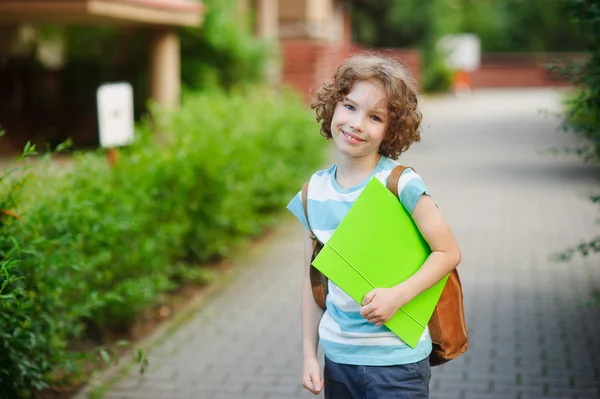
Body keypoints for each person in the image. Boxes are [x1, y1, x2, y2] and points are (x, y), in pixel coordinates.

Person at [286, 53, 462, 399]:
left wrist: (398, 296)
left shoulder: (399, 184)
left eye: (375, 116)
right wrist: (310, 355)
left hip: (398, 363)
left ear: (390, 129)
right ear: (333, 106)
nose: (356, 124)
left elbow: (448, 252)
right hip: (338, 360)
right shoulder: (314, 193)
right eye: (350, 107)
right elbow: (312, 283)